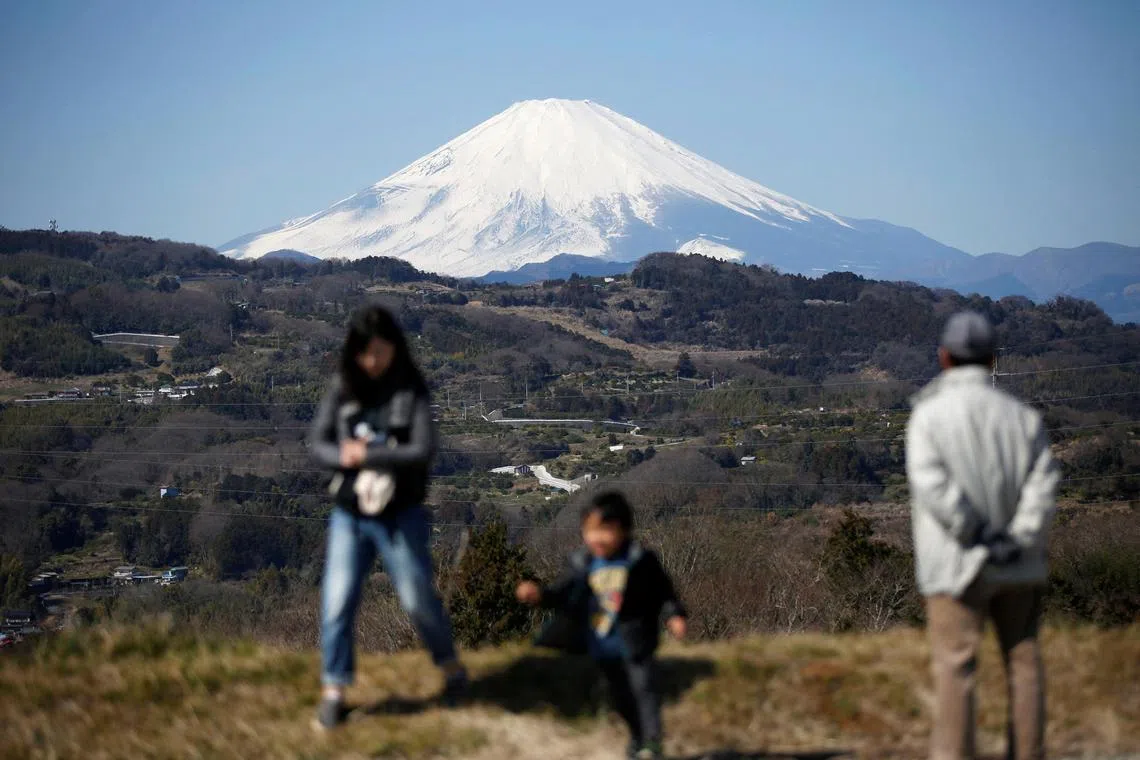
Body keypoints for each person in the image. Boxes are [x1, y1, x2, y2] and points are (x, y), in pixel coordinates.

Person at [906, 311, 1060, 760]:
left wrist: (976, 531)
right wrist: (1018, 537)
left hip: (955, 564)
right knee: (1024, 664)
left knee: (956, 669)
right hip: (1019, 562)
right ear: (993, 360)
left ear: (944, 358)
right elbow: (1043, 483)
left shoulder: (927, 417)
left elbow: (932, 485)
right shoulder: (1024, 419)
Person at [308, 305, 466, 730]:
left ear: (395, 348)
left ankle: (451, 668)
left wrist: (367, 454)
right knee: (337, 599)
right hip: (350, 512)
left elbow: (422, 449)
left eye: (381, 350)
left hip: (401, 513)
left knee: (416, 597)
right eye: (366, 351)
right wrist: (344, 455)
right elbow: (317, 443)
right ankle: (334, 692)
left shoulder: (410, 391)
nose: (373, 360)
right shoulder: (342, 389)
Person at [516, 491, 688, 760]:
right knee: (620, 697)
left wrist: (674, 615)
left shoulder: (641, 561)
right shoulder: (582, 564)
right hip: (601, 644)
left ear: (624, 529)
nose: (597, 538)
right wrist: (540, 596)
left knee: (643, 689)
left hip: (635, 640)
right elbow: (563, 594)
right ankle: (638, 739)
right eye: (590, 530)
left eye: (605, 530)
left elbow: (663, 593)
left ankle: (652, 744)